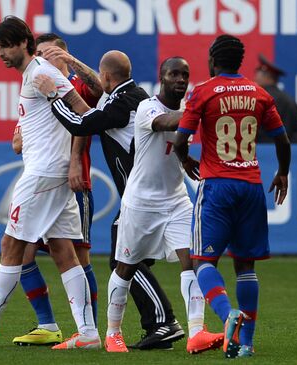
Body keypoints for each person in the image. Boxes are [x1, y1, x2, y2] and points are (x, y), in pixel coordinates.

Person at [0, 16, 101, 350]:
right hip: (50, 169)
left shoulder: (41, 72)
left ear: (23, 43)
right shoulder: (34, 73)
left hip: (43, 173)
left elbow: (85, 113)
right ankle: (87, 333)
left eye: (5, 45)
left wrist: (71, 156)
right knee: (62, 251)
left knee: (11, 244)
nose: (0, 52)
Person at [34, 50, 185, 350]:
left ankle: (164, 322)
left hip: (143, 197)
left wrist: (53, 95)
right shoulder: (128, 95)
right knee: (129, 260)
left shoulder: (123, 104)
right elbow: (98, 95)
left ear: (107, 77)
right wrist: (73, 61)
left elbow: (80, 124)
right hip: (151, 194)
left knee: (123, 260)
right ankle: (162, 324)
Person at [173, 35, 291, 358]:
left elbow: (181, 138)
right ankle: (247, 343)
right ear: (240, 62)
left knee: (202, 261)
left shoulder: (204, 92)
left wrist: (184, 159)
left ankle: (228, 316)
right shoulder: (259, 93)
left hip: (217, 186)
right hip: (251, 186)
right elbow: (282, 140)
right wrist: (282, 172)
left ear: (213, 59)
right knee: (246, 266)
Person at [100, 56, 224, 353]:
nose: (181, 79)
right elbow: (164, 124)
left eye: (185, 74)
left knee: (193, 261)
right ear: (162, 77)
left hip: (176, 200)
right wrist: (201, 110)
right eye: (174, 74)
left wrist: (183, 158)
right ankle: (112, 332)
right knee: (125, 268)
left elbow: (176, 139)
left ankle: (197, 331)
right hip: (140, 204)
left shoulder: (185, 112)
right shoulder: (147, 107)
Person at [10, 33, 103, 346]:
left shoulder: (74, 85)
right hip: (43, 180)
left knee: (78, 256)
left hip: (73, 181)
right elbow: (18, 140)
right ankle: (48, 324)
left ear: (65, 56)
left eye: (52, 54)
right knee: (22, 252)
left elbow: (90, 110)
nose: (45, 59)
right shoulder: (36, 85)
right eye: (40, 53)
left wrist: (75, 161)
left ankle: (90, 327)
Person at [254, 54, 297, 143]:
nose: (255, 78)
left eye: (258, 74)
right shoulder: (289, 100)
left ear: (267, 76)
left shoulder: (256, 98)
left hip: (259, 152)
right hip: (283, 153)